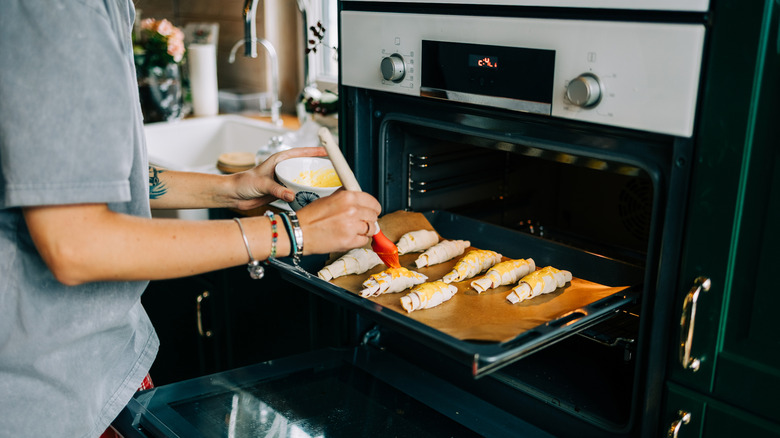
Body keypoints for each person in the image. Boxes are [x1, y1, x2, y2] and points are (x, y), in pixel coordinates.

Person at [0, 1, 381, 436]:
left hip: (92, 371)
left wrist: (229, 187)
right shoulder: (64, 11)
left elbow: (85, 176)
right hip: (50, 394)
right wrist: (293, 230)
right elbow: (76, 245)